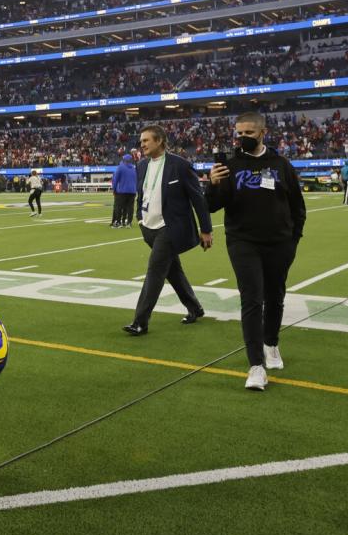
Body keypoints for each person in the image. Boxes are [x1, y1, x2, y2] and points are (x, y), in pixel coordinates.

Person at [207, 112, 306, 391]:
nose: (242, 139)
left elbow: (297, 207)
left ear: (263, 133)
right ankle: (256, 366)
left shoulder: (281, 164)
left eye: (249, 133)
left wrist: (292, 240)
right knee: (251, 299)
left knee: (275, 297)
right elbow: (213, 205)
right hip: (242, 241)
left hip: (279, 243)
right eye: (239, 133)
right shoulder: (229, 165)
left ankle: (271, 344)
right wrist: (212, 185)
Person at [123, 125, 213, 336]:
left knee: (154, 272)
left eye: (146, 140)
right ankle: (195, 308)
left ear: (160, 140)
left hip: (170, 228)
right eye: (141, 140)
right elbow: (141, 194)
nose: (142, 144)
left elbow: (197, 199)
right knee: (173, 272)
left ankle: (140, 321)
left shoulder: (180, 165)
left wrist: (206, 229)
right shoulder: (141, 166)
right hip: (149, 228)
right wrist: (139, 219)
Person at [111, 154, 136, 228]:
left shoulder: (120, 167)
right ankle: (129, 223)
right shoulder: (133, 168)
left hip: (122, 191)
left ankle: (118, 222)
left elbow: (115, 180)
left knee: (119, 207)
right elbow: (136, 180)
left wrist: (114, 189)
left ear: (123, 160)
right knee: (130, 207)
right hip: (132, 191)